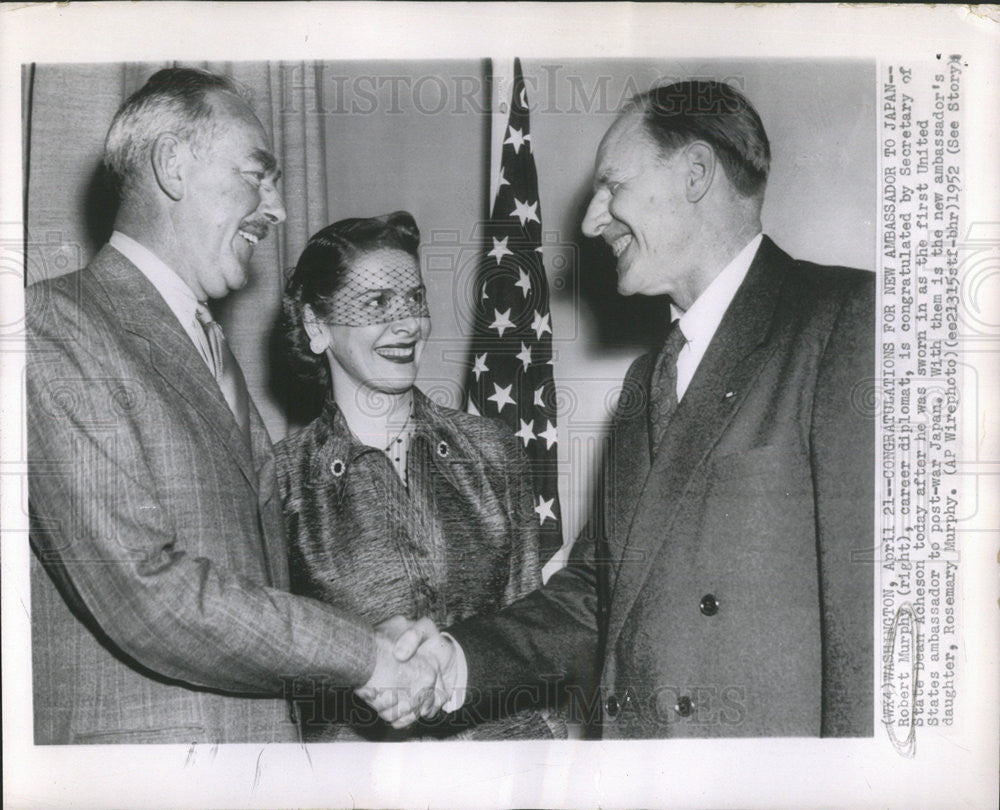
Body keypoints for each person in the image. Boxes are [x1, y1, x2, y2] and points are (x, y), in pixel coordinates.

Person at [392, 79, 876, 738]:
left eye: (612, 186)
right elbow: (598, 594)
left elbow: (871, 627)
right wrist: (457, 659)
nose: (591, 221)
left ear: (696, 173)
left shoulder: (843, 321)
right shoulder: (648, 379)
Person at [26, 67, 440, 745]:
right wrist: (362, 658)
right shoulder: (53, 328)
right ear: (174, 166)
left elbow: (245, 584)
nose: (275, 209)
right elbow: (145, 591)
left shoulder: (210, 352)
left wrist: (369, 637)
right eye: (256, 174)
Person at [274, 212, 562, 741]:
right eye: (377, 303)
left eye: (415, 299)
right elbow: (277, 668)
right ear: (317, 327)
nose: (408, 324)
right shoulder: (282, 482)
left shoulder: (492, 452)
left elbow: (533, 633)